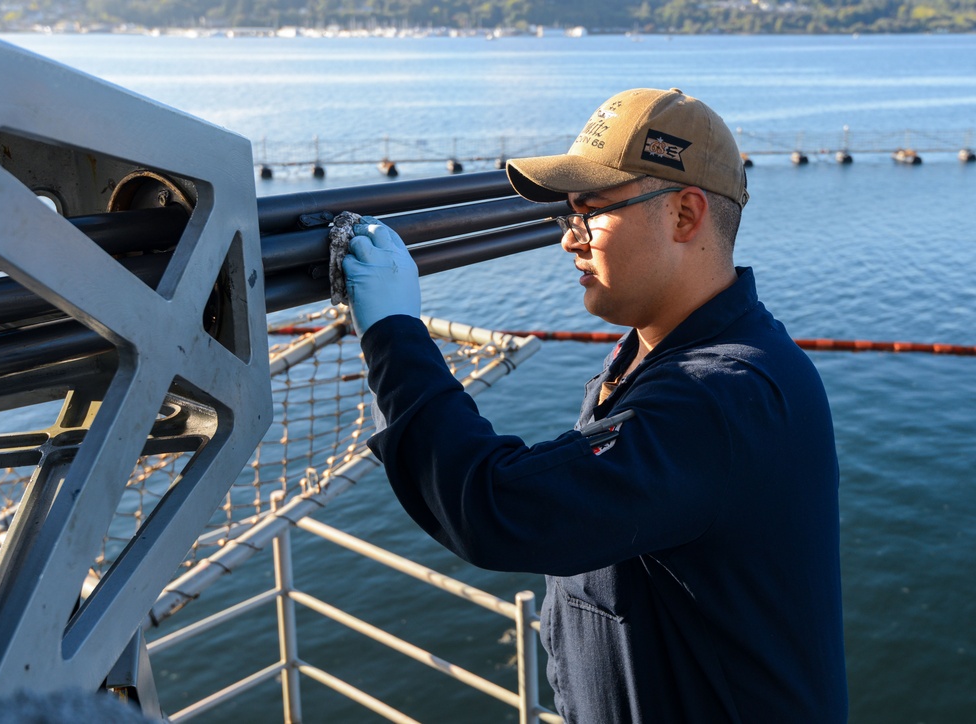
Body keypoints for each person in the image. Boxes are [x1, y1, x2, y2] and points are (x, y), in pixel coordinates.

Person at [342, 88, 847, 722]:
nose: (567, 240)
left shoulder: (723, 396)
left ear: (686, 216)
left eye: (592, 212)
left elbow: (498, 509)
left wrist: (392, 334)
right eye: (567, 215)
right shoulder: (648, 358)